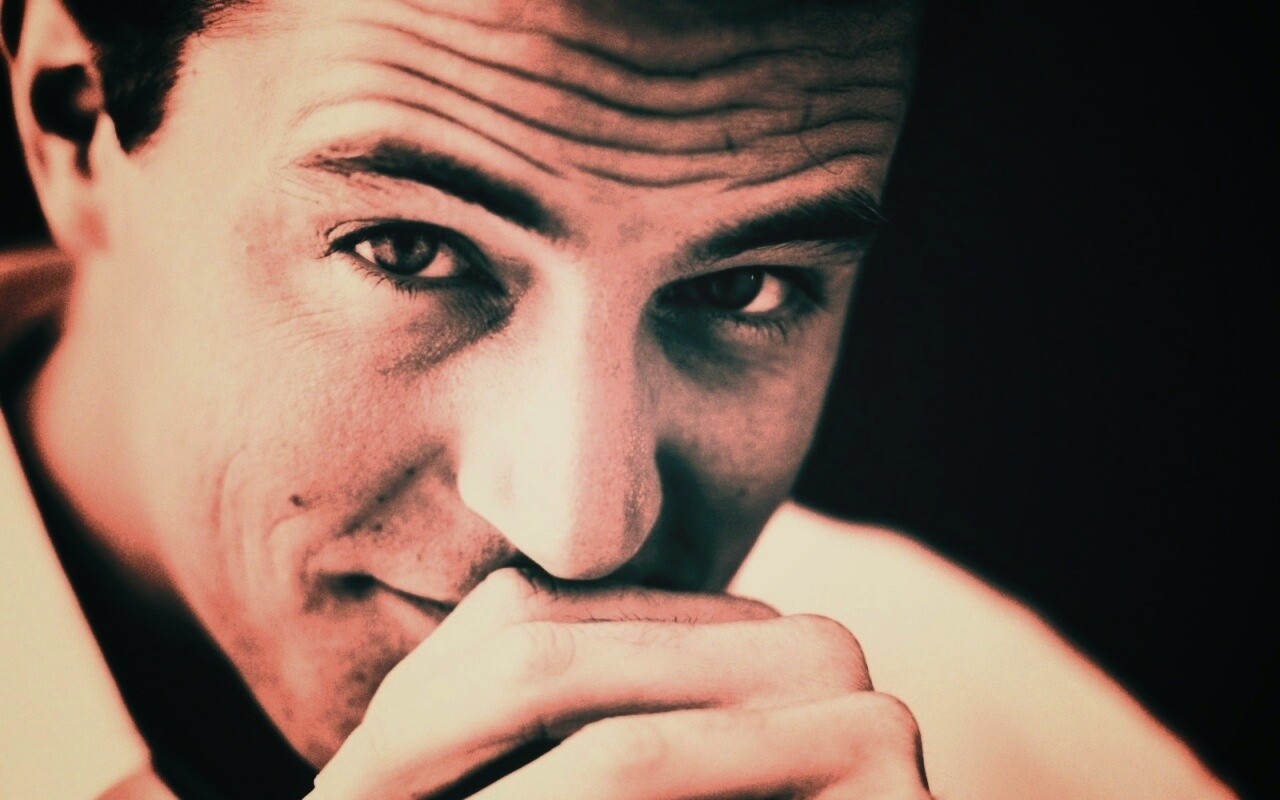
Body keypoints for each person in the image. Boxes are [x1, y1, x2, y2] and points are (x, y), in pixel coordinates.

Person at [0, 0, 1235, 797]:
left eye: (741, 287)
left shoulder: (983, 722)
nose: (580, 531)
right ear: (76, 123)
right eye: (409, 250)